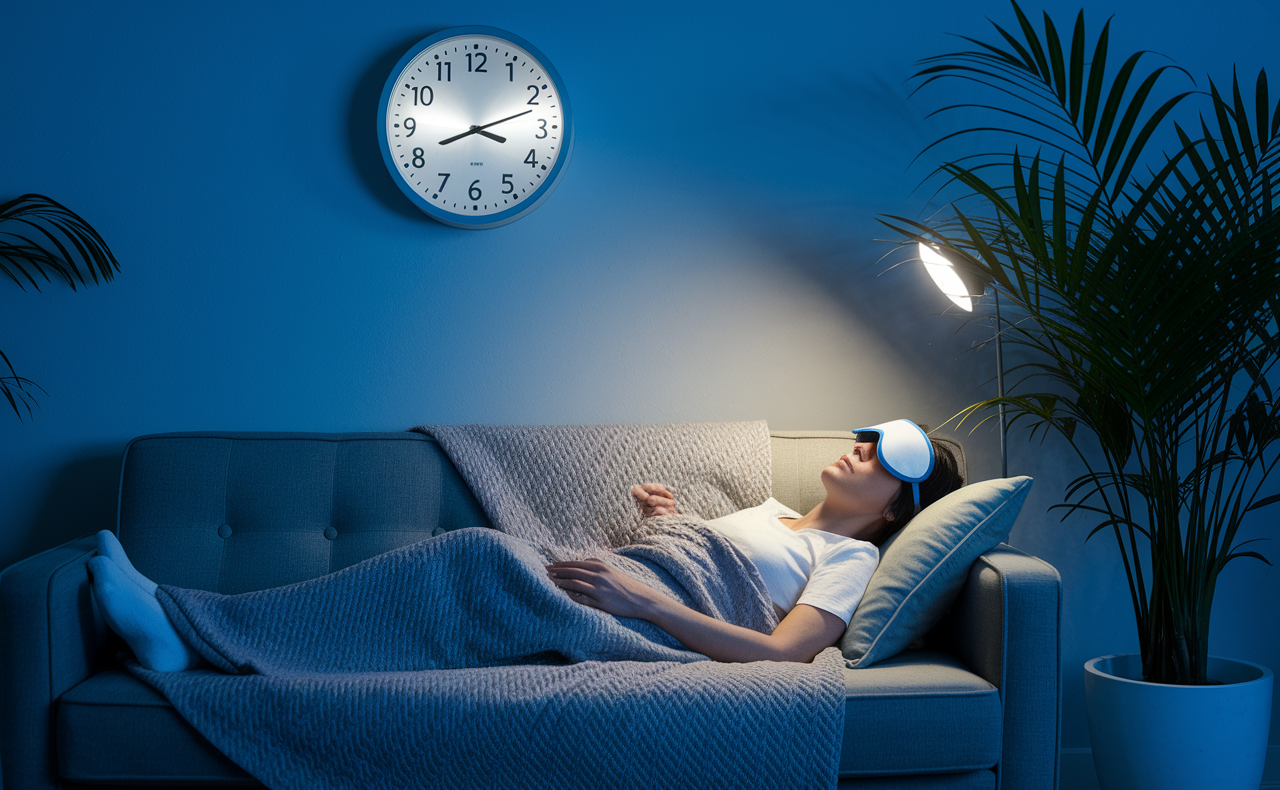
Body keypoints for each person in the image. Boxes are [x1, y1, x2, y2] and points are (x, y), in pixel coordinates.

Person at [88, 420, 963, 672]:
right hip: (624, 593)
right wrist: (660, 521)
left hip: (647, 627)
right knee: (480, 566)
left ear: (898, 506)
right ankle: (188, 624)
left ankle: (185, 625)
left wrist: (651, 599)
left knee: (477, 555)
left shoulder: (850, 561)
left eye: (893, 457)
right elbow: (686, 559)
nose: (865, 448)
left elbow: (778, 649)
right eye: (869, 436)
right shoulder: (766, 507)